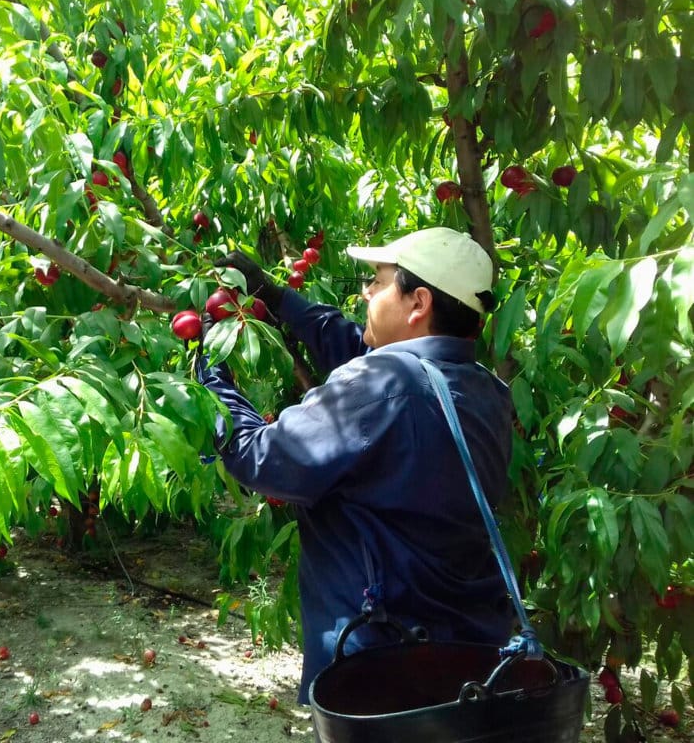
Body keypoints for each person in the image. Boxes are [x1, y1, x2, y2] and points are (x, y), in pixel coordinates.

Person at [196, 226, 516, 704]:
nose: (365, 291)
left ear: (419, 303)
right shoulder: (486, 391)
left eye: (378, 282)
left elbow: (257, 455)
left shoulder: (383, 385)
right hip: (464, 657)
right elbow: (362, 356)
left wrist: (211, 371)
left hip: (379, 668)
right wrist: (278, 297)